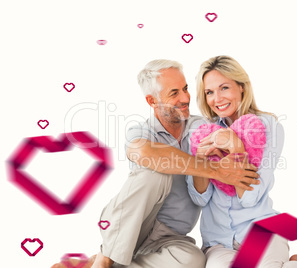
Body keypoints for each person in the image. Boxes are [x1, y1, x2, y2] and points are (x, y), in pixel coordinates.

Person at [52, 59, 261, 268]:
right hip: (133, 225)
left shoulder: (202, 127)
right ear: (152, 101)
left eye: (185, 89)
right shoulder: (141, 132)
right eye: (174, 93)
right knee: (155, 172)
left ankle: (97, 262)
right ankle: (104, 260)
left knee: (193, 260)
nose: (186, 98)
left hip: (170, 236)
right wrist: (215, 170)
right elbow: (143, 152)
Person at [186, 55, 297, 268]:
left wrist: (235, 146)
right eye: (209, 92)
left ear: (242, 86)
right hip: (218, 242)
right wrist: (199, 162)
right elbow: (199, 199)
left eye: (224, 88)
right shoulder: (202, 133)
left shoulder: (268, 127)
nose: (217, 98)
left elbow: (250, 198)